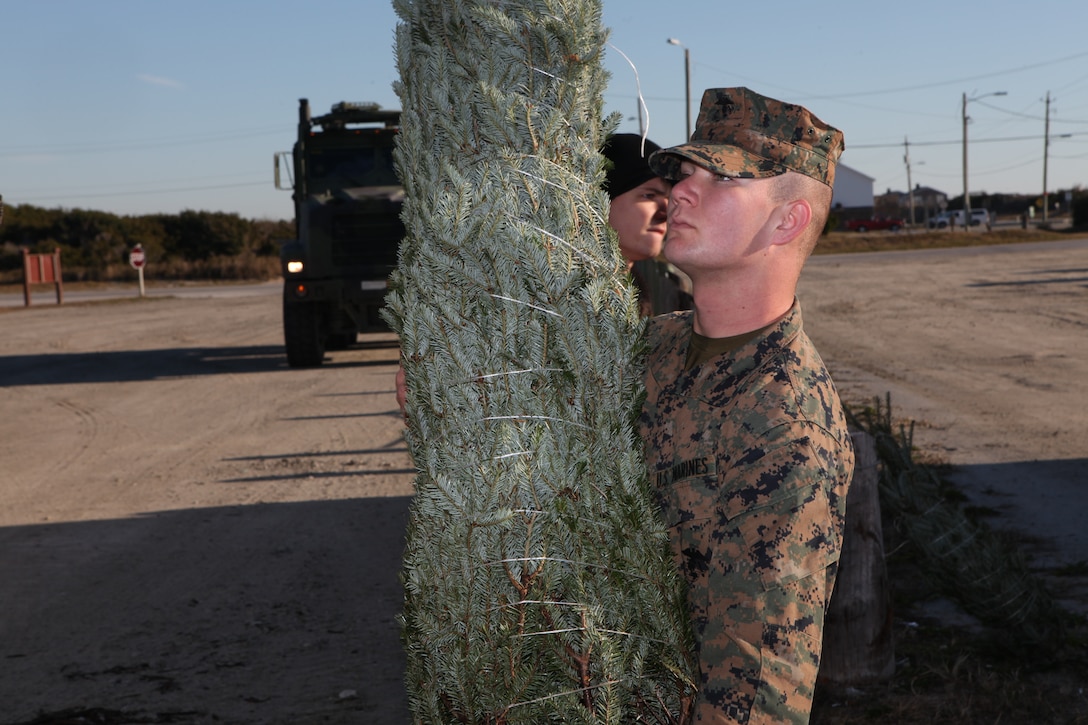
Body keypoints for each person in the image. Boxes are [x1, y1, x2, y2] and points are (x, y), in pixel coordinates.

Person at [640, 87, 854, 723]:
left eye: (720, 180)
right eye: (683, 175)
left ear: (785, 221)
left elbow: (752, 693)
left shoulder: (787, 431)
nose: (680, 192)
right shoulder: (657, 346)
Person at [601, 133, 692, 316]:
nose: (667, 212)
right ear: (600, 201)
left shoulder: (649, 292)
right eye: (649, 195)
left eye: (669, 198)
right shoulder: (560, 294)